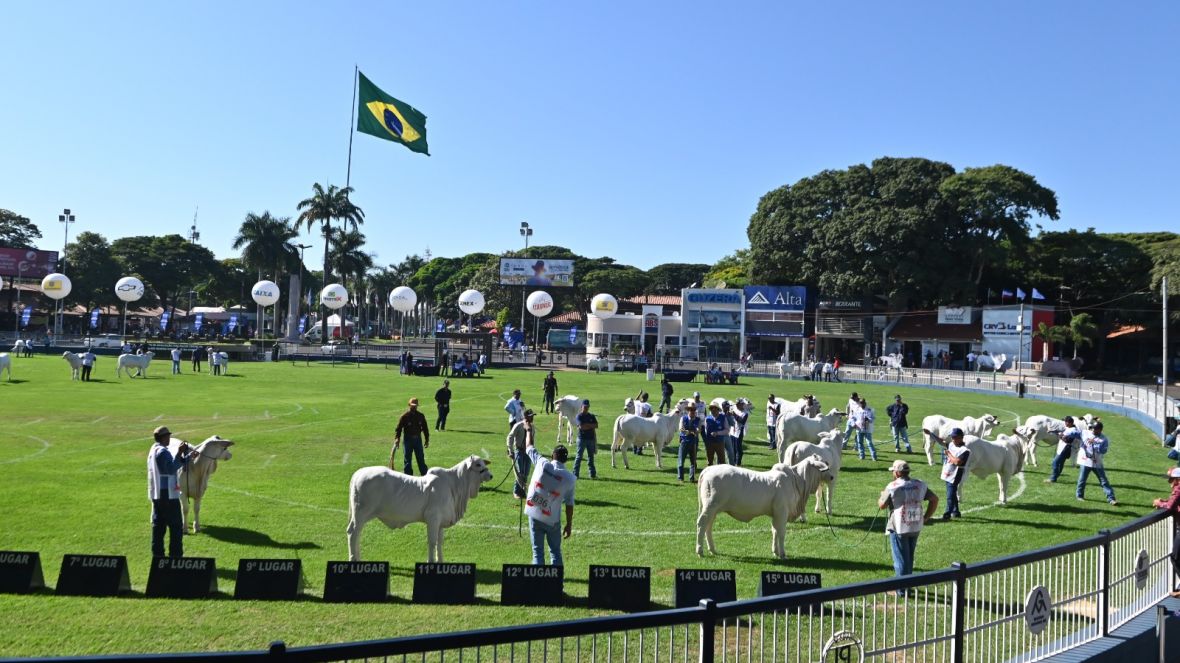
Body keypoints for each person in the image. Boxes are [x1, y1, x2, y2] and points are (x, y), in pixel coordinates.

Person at [878, 460, 939, 592]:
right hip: (915, 524)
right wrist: (926, 517)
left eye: (893, 471)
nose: (893, 473)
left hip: (899, 525)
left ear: (897, 472)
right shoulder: (919, 484)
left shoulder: (892, 486)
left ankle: (901, 589)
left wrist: (882, 495)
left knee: (900, 559)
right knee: (909, 557)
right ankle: (908, 585)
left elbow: (882, 505)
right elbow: (934, 499)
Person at [524, 437, 575, 566]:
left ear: (553, 455)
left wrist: (529, 429)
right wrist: (569, 524)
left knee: (537, 553)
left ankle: (537, 585)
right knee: (555, 552)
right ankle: (557, 585)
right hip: (552, 519)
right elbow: (569, 504)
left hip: (534, 514)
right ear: (565, 460)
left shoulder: (542, 463)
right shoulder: (569, 479)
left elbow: (529, 447)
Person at [147, 426, 190, 558]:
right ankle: (175, 557)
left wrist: (186, 458)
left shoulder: (153, 449)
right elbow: (170, 470)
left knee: (158, 526)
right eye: (168, 436)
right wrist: (179, 453)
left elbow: (170, 465)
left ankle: (157, 556)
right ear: (164, 437)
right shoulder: (163, 452)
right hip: (168, 494)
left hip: (156, 493)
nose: (170, 438)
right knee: (176, 526)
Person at [925, 427, 969, 520]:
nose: (953, 439)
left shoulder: (965, 451)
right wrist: (931, 434)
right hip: (949, 472)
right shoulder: (952, 444)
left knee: (950, 494)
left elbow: (957, 462)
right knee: (952, 493)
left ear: (961, 437)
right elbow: (942, 442)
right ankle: (956, 511)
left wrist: (948, 454)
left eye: (955, 437)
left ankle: (947, 513)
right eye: (952, 437)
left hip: (956, 474)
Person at [1151, 467, 1180, 597]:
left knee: (1175, 557)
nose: (1169, 482)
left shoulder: (1179, 489)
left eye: (1170, 479)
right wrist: (1164, 501)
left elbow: (1170, 507)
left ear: (1177, 480)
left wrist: (1159, 503)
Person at [1076, 421, 1117, 505]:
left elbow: (1103, 451)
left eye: (1096, 429)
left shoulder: (1104, 439)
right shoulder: (1085, 433)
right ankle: (1079, 496)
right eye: (1093, 428)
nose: (1094, 430)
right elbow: (1074, 433)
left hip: (1097, 463)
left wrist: (1095, 443)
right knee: (1082, 480)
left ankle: (1111, 499)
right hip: (1085, 461)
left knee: (1104, 481)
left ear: (1100, 430)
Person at [392, 398, 430, 475]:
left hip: (418, 439)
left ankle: (425, 475)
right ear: (409, 405)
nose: (414, 407)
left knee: (420, 458)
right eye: (412, 405)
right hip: (407, 440)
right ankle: (408, 475)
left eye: (415, 405)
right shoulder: (404, 416)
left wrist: (427, 439)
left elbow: (425, 428)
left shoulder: (421, 416)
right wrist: (397, 439)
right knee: (407, 459)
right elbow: (398, 429)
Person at [507, 409, 537, 498]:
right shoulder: (518, 425)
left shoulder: (532, 426)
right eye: (531, 416)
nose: (532, 417)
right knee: (520, 472)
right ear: (525, 416)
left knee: (526, 472)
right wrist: (510, 450)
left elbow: (532, 439)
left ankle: (523, 491)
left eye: (533, 416)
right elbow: (510, 437)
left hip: (528, 452)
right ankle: (516, 491)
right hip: (519, 451)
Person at [1044, 416, 1083, 483]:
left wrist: (1060, 436)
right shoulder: (1068, 428)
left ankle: (1053, 478)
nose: (1065, 423)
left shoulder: (1073, 431)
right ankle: (1056, 476)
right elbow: (1060, 431)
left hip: (1065, 449)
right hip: (1062, 448)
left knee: (1055, 463)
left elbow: (1068, 440)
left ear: (1070, 423)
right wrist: (1053, 431)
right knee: (1060, 463)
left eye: (1066, 422)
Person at [573, 400, 598, 479]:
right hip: (582, 439)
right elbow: (581, 427)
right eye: (585, 407)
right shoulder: (579, 416)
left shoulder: (591, 416)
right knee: (579, 457)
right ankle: (575, 474)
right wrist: (591, 425)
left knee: (591, 457)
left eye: (587, 407)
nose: (586, 408)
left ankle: (592, 474)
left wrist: (586, 425)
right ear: (581, 407)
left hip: (590, 439)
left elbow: (596, 425)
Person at [677, 403, 701, 482]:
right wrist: (689, 431)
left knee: (693, 461)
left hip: (693, 442)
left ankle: (692, 477)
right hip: (684, 441)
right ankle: (680, 478)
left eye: (694, 410)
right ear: (688, 411)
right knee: (681, 460)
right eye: (691, 410)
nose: (692, 411)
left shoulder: (698, 419)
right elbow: (681, 429)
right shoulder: (683, 418)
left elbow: (698, 430)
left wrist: (695, 431)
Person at [730, 398, 749, 466]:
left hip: (739, 432)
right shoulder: (735, 409)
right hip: (732, 431)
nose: (737, 405)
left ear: (742, 404)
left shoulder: (745, 413)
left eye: (738, 404)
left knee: (738, 448)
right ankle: (733, 461)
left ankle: (738, 462)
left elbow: (742, 421)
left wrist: (734, 414)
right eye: (737, 404)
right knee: (733, 447)